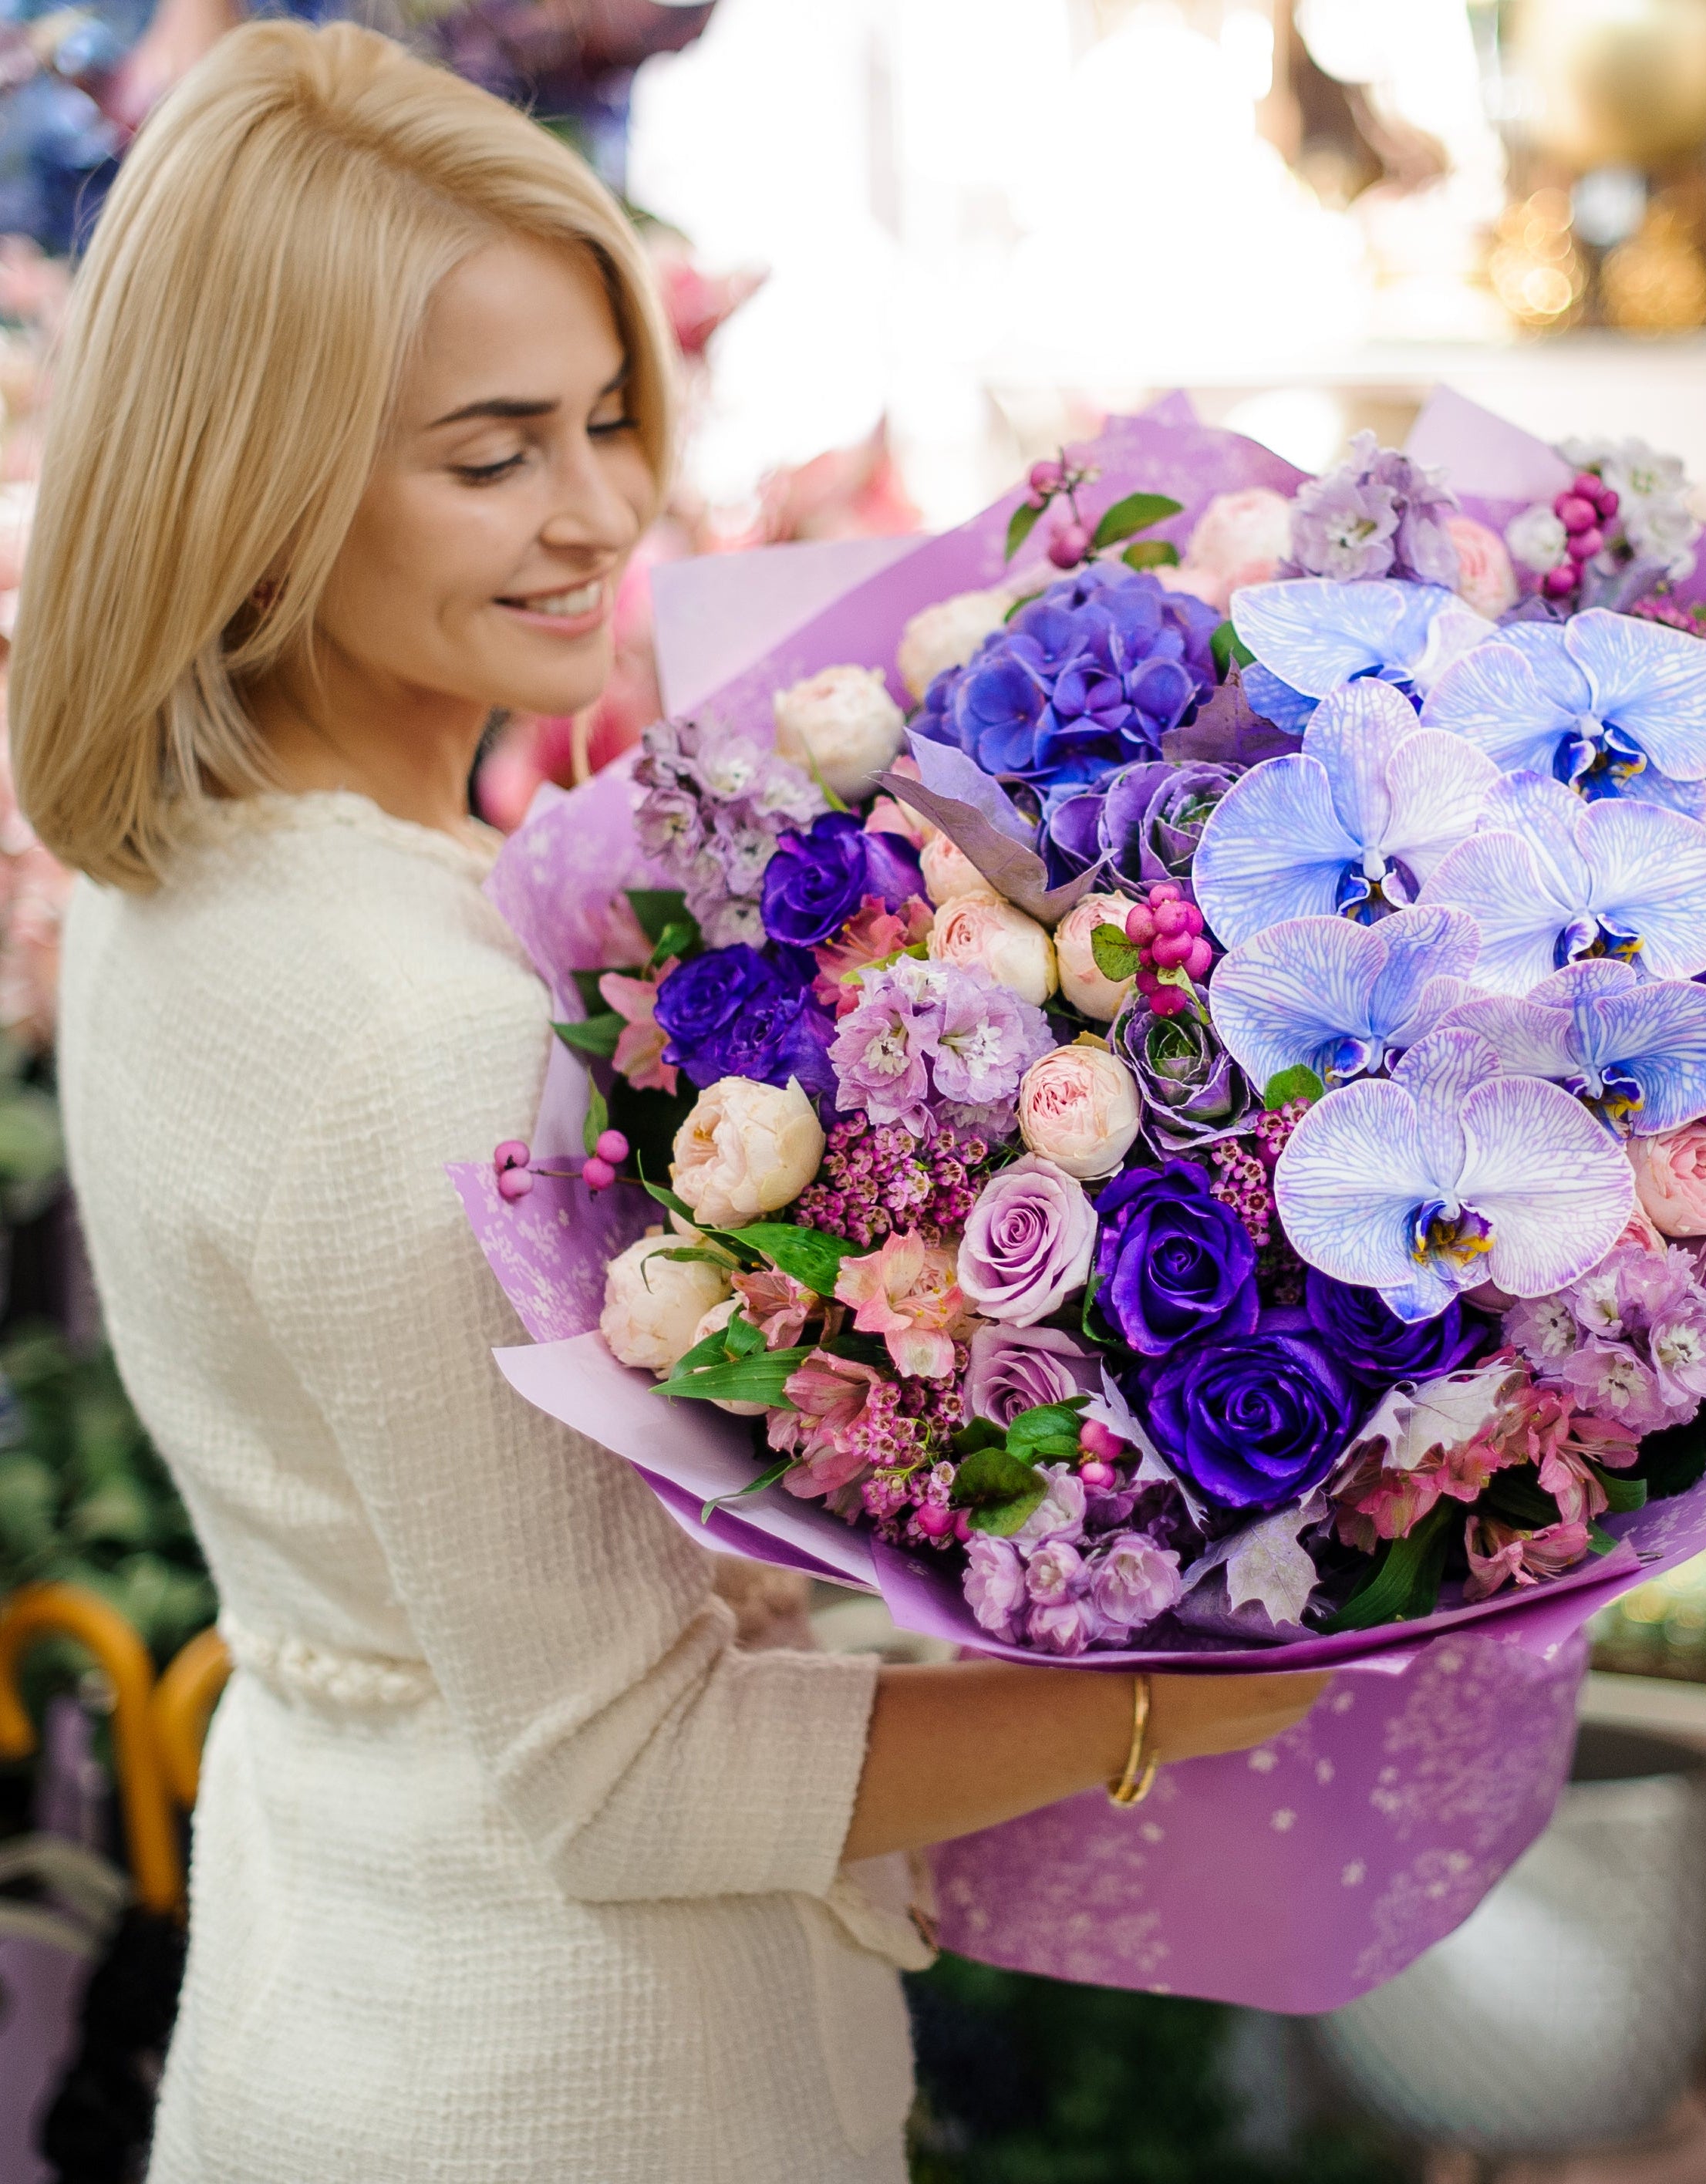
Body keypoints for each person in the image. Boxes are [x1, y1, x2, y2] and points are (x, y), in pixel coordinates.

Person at [11, 25, 1326, 2182]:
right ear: (256, 475)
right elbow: (629, 1777)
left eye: (611, 419)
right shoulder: (410, 1034)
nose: (603, 512)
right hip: (565, 2088)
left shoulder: (183, 902)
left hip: (347, 1990)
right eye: (495, 451)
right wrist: (1179, 1701)